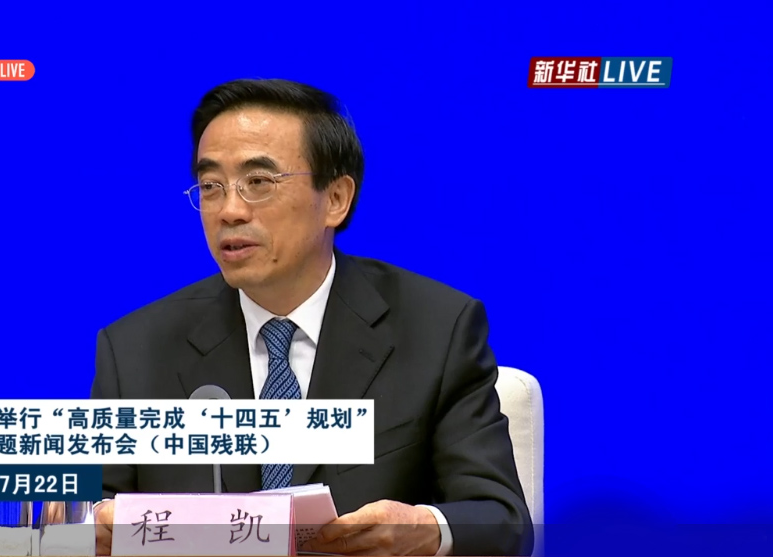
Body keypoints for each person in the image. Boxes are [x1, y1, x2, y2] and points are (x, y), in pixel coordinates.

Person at [88, 78, 534, 556]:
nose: (229, 211)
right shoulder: (135, 348)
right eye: (212, 186)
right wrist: (90, 525)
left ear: (336, 199)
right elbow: (90, 509)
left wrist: (424, 527)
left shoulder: (437, 328)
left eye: (258, 183)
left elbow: (501, 519)